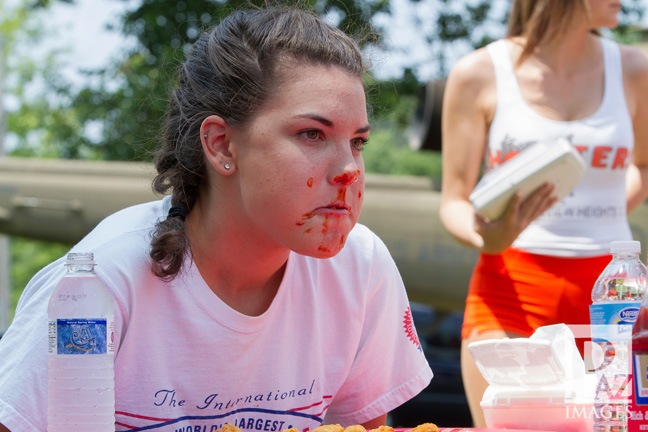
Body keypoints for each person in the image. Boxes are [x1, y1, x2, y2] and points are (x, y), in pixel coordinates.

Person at [0, 7, 433, 432]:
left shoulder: (360, 266)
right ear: (222, 145)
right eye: (312, 134)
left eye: (358, 142)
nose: (349, 170)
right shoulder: (102, 282)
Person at [439, 0, 648, 427]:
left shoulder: (636, 69)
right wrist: (487, 237)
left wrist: (601, 208)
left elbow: (644, 165)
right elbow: (454, 202)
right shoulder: (477, 72)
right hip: (510, 289)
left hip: (613, 298)